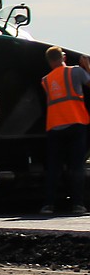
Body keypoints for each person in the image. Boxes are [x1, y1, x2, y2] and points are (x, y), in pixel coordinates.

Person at [40, 45, 90, 215]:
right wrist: (87, 67)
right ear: (63, 57)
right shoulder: (75, 71)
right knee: (76, 166)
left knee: (54, 167)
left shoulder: (45, 80)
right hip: (76, 123)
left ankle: (48, 205)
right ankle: (78, 204)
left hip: (54, 126)